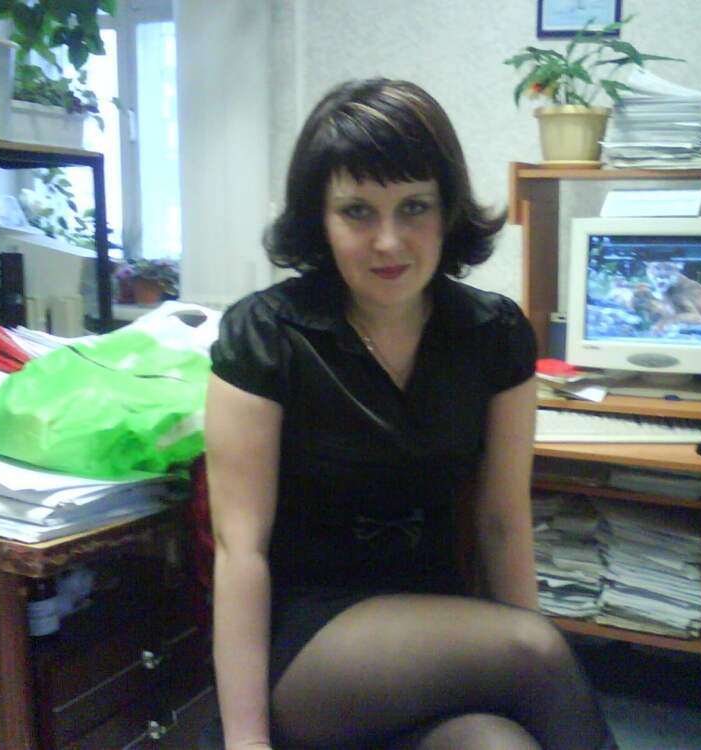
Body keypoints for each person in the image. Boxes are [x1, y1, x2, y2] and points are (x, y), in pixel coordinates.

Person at [204, 78, 617, 750]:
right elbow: (239, 550)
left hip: (439, 632)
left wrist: (522, 696)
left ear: (447, 209)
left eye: (414, 207)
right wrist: (246, 743)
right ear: (320, 219)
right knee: (534, 652)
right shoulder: (266, 336)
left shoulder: (494, 334)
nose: (389, 241)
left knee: (501, 744)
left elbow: (502, 522)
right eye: (357, 212)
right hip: (309, 649)